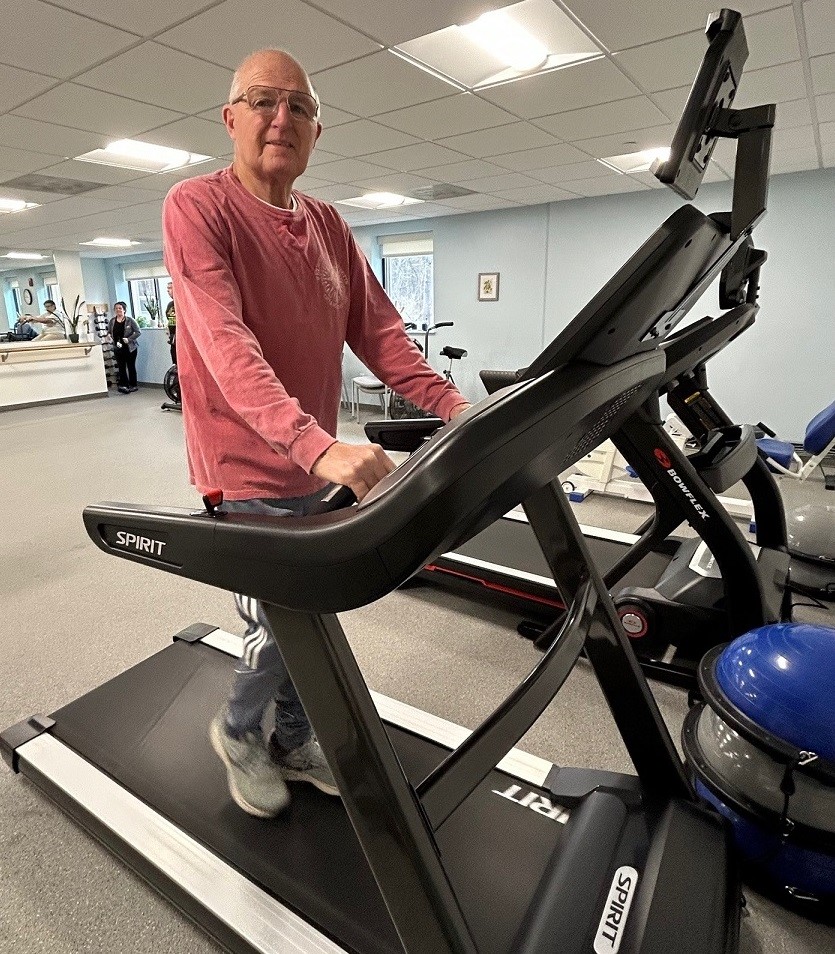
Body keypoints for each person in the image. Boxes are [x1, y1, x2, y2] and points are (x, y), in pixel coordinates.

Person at [162, 48, 471, 819]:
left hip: (311, 464)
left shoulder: (330, 224)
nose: (280, 118)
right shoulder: (197, 207)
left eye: (297, 106)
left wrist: (455, 407)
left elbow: (382, 335)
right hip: (245, 465)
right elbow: (224, 343)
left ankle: (294, 739)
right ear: (230, 118)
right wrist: (316, 443)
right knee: (282, 618)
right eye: (262, 101)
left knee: (313, 611)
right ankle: (238, 731)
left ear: (316, 131)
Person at [107, 301, 141, 393]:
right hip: (118, 347)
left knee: (131, 366)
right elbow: (109, 332)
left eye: (120, 308)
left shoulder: (130, 320)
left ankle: (133, 385)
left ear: (124, 310)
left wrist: (129, 339)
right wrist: (109, 336)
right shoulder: (112, 321)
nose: (118, 310)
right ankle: (124, 385)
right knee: (121, 367)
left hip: (130, 348)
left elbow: (138, 332)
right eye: (116, 308)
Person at [164, 281, 177, 364]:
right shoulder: (170, 304)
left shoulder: (182, 303)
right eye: (167, 288)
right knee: (175, 363)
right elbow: (169, 318)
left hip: (181, 339)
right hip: (172, 339)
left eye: (170, 288)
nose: (168, 291)